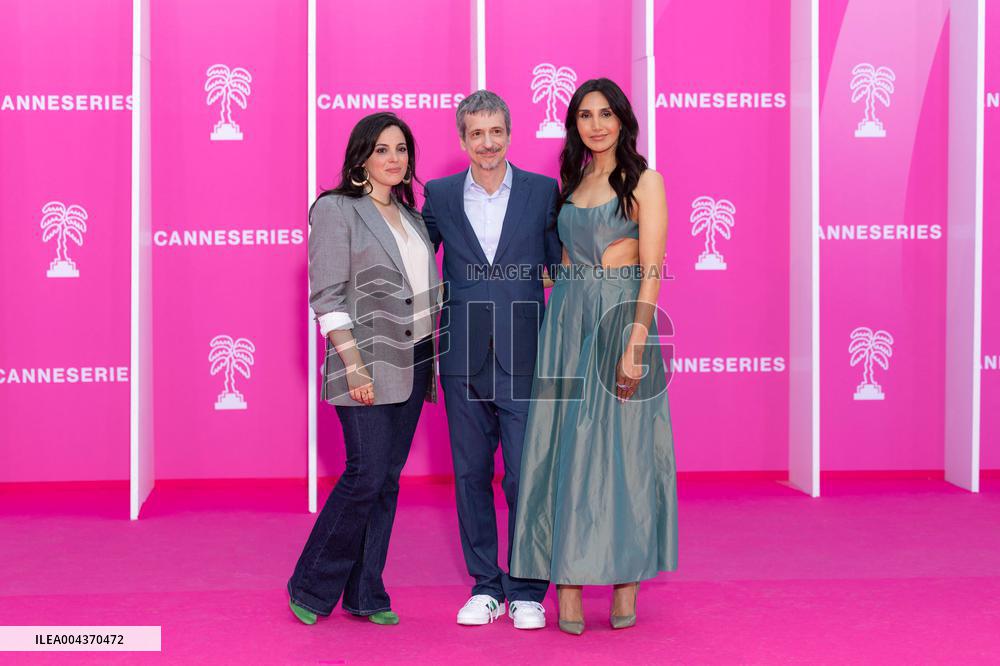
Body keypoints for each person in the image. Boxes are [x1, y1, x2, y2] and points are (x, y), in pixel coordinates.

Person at [510, 78, 678, 635]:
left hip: (618, 321)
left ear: (622, 119)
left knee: (623, 454)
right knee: (563, 451)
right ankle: (571, 588)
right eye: (585, 115)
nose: (596, 124)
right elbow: (558, 261)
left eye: (605, 114)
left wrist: (636, 344)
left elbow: (651, 269)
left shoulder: (644, 181)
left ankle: (626, 582)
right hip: (567, 322)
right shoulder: (574, 179)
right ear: (574, 125)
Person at [287, 112, 442, 626]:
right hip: (365, 362)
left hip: (416, 360)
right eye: (382, 150)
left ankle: (366, 591)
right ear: (362, 157)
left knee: (387, 480)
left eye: (401, 149)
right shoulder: (337, 210)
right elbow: (327, 296)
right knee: (365, 474)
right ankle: (309, 585)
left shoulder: (414, 218)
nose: (394, 159)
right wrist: (352, 366)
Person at [421, 90, 562, 630]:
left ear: (510, 133)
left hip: (527, 358)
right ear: (462, 139)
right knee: (471, 475)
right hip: (462, 361)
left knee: (526, 476)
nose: (487, 143)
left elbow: (563, 268)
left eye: (495, 132)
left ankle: (527, 588)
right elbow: (413, 260)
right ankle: (485, 585)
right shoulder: (438, 195)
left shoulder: (541, 192)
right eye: (476, 133)